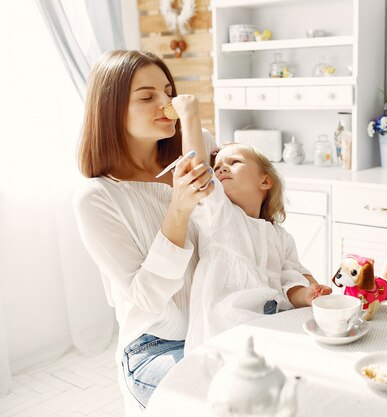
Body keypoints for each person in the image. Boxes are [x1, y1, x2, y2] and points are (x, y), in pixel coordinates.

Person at [73, 50, 213, 410]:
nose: (167, 104)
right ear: (111, 110)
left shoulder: (195, 149)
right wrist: (178, 209)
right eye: (147, 96)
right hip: (155, 347)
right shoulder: (98, 198)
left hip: (215, 326)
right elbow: (147, 297)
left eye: (168, 91)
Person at [171, 97, 332, 353]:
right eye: (218, 166)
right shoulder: (220, 216)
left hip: (273, 325)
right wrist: (190, 114)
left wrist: (309, 294)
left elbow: (292, 279)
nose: (221, 168)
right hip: (226, 335)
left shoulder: (280, 236)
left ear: (265, 182)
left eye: (234, 163)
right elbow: (197, 170)